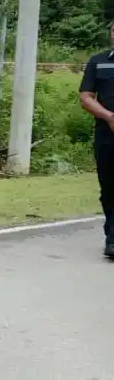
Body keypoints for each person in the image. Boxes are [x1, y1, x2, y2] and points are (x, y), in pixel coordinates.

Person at [79, 20, 114, 259]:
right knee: (109, 188)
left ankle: (113, 240)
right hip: (106, 134)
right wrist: (109, 116)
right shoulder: (98, 61)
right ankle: (111, 232)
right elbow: (86, 96)